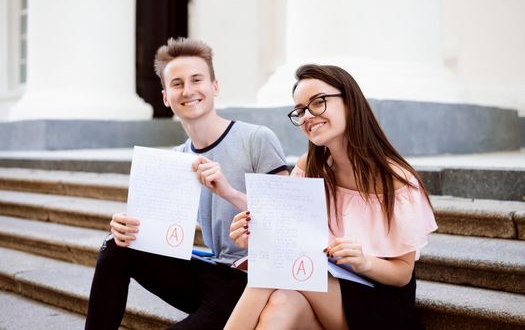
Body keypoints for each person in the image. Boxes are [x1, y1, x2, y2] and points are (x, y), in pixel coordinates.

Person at [84, 37, 288, 330]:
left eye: (197, 80)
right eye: (177, 84)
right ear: (166, 97)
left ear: (214, 87)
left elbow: (287, 222)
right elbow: (156, 233)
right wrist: (126, 228)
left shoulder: (256, 139)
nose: (188, 90)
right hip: (214, 274)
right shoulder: (177, 159)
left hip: (255, 282)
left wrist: (228, 192)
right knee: (116, 247)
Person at [226, 64, 438, 330]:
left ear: (349, 102)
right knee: (281, 304)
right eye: (300, 110)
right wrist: (255, 235)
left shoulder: (396, 180)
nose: (306, 116)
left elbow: (402, 274)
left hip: (380, 302)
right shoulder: (309, 169)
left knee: (272, 272)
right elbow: (291, 242)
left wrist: (364, 262)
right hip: (326, 289)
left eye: (318, 102)